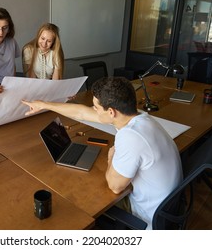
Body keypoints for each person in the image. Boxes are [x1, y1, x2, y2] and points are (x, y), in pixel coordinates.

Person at [21, 77, 182, 229]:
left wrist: (111, 158)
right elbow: (82, 113)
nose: (93, 110)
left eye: (96, 108)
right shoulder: (140, 117)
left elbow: (115, 186)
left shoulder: (131, 137)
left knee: (80, 197)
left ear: (111, 112)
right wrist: (44, 104)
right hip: (169, 207)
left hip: (148, 217)